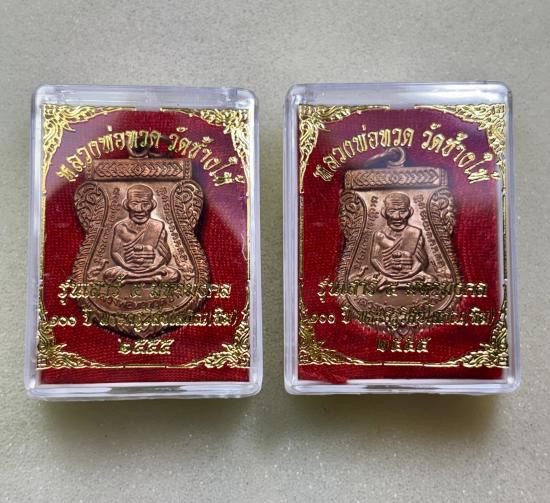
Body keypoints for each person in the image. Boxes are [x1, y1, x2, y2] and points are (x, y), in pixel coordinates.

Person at [103, 184, 180, 284]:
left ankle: (130, 280)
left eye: (145, 204)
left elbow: (165, 255)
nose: (139, 209)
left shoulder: (157, 226)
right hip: (128, 269)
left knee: (174, 275)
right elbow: (115, 252)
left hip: (153, 269)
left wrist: (154, 266)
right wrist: (126, 265)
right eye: (134, 204)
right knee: (109, 275)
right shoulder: (121, 227)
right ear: (127, 205)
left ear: (152, 205)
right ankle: (149, 280)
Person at [370, 192, 434, 288]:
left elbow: (422, 261)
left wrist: (411, 273)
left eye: (403, 211)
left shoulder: (414, 232)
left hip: (412, 275)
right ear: (384, 212)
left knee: (431, 281)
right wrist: (386, 273)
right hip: (386, 275)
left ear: (410, 211)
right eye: (391, 211)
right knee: (368, 282)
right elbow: (374, 259)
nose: (397, 216)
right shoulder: (379, 235)